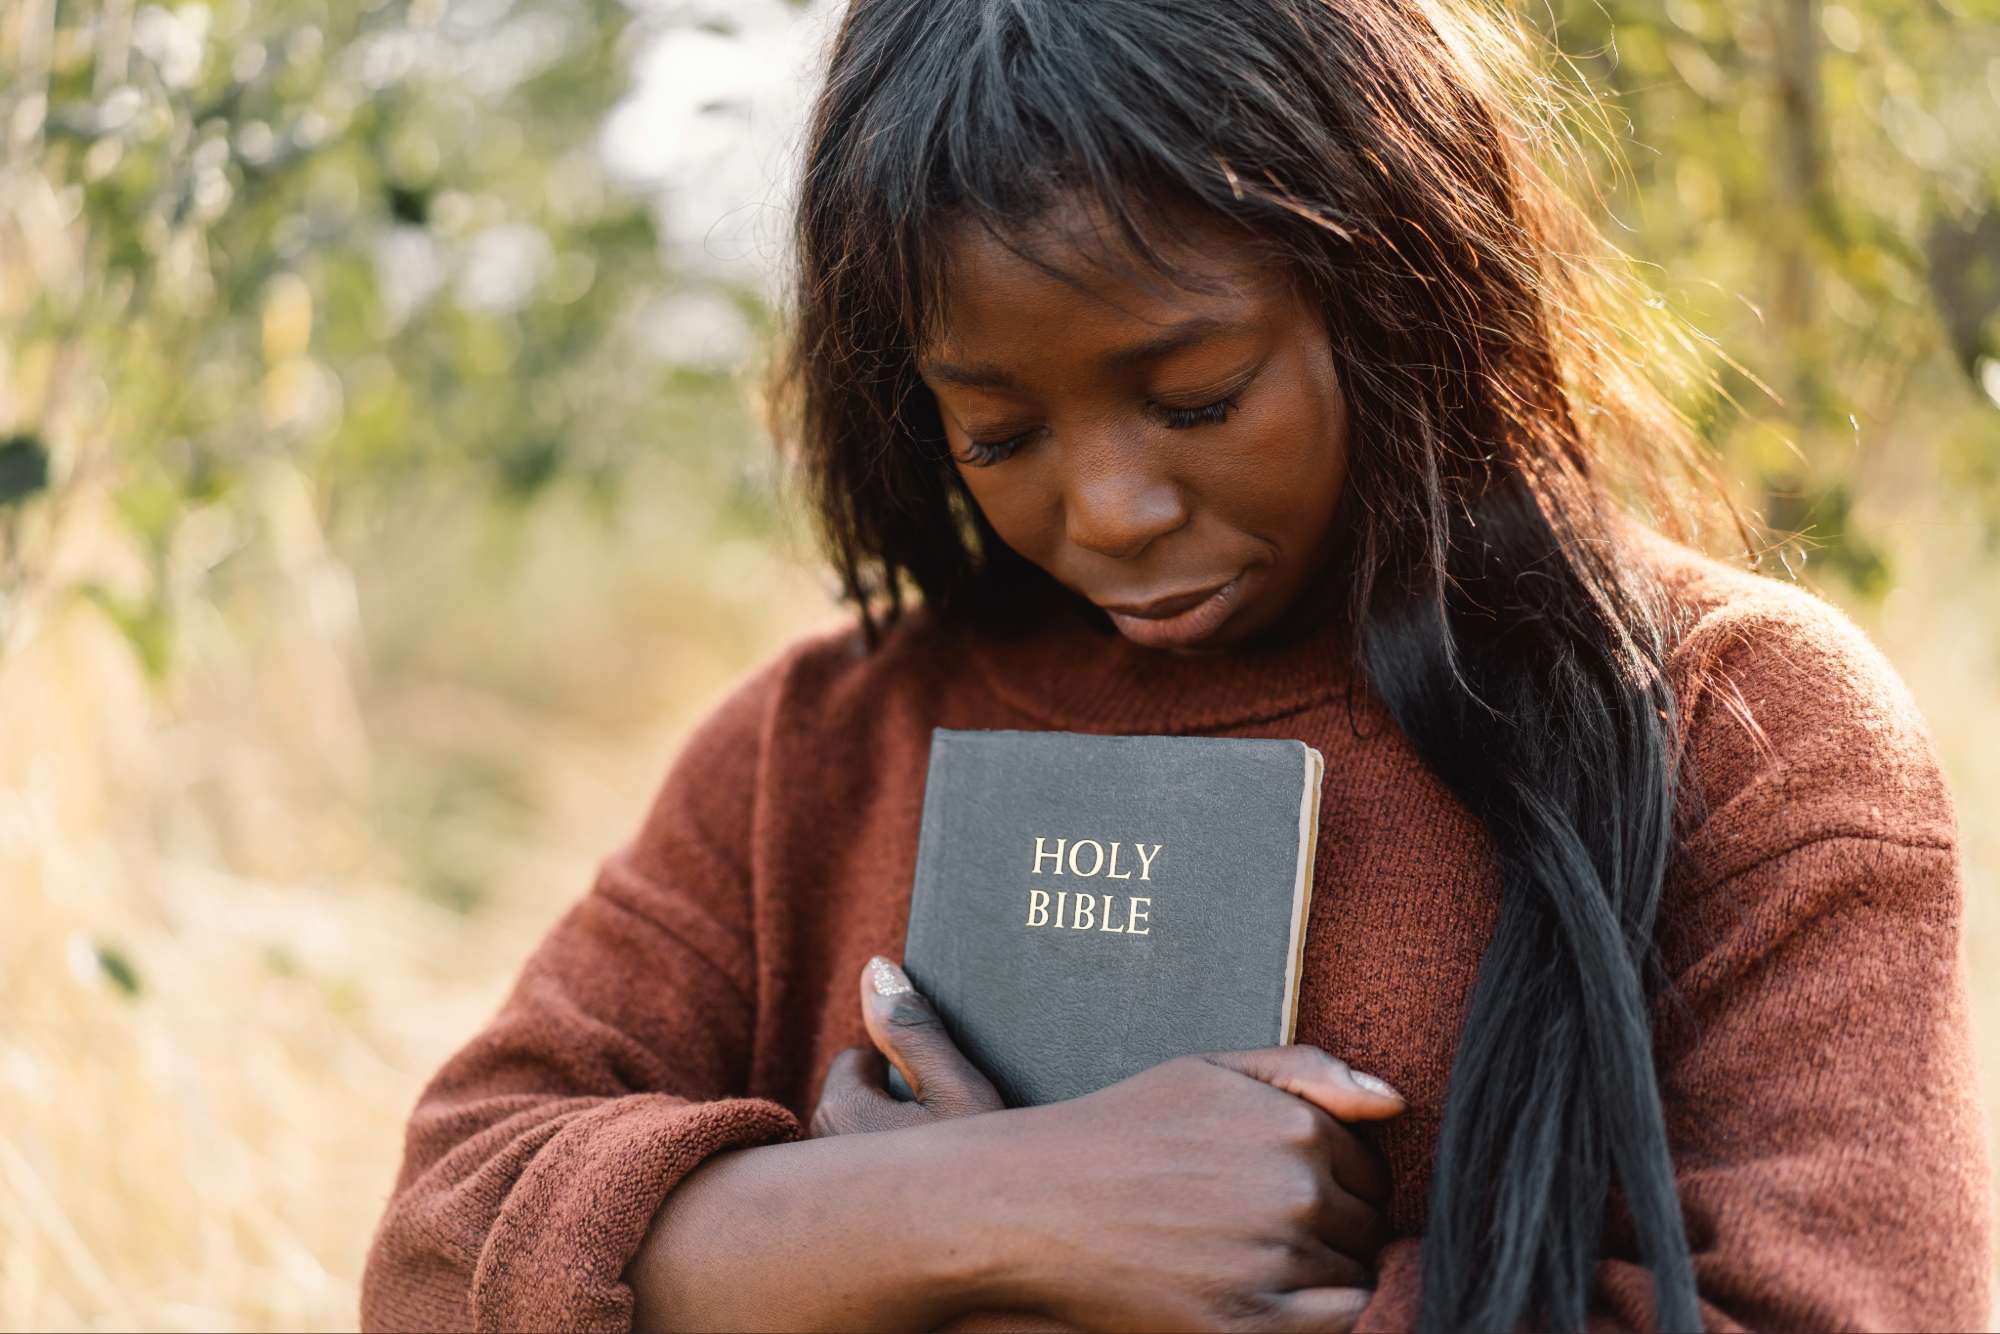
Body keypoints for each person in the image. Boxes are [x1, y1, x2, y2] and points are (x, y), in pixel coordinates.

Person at [358, 1, 1992, 1330]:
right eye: (999, 429)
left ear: (1392, 282)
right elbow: (439, 1248)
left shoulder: (1735, 724)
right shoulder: (818, 748)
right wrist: (958, 1212)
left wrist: (1248, 1283)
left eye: (1197, 395)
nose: (1116, 510)